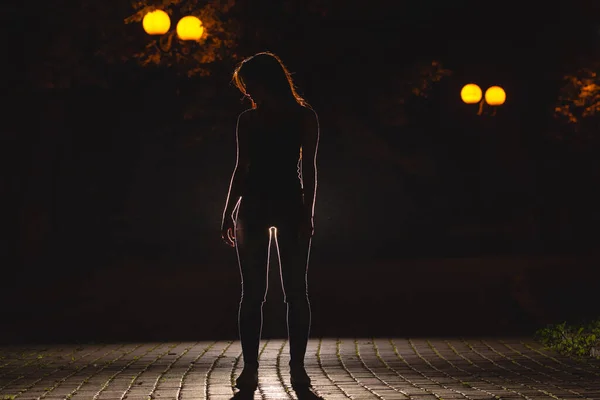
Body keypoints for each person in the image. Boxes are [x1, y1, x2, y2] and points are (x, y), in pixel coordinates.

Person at [221, 52, 319, 391]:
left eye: (251, 86)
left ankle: (295, 368)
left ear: (268, 83)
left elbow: (310, 169)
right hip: (260, 206)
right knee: (256, 293)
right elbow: (241, 168)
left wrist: (308, 213)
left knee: (294, 291)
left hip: (285, 205)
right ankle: (253, 367)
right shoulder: (250, 120)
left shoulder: (302, 117)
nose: (248, 93)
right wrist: (228, 211)